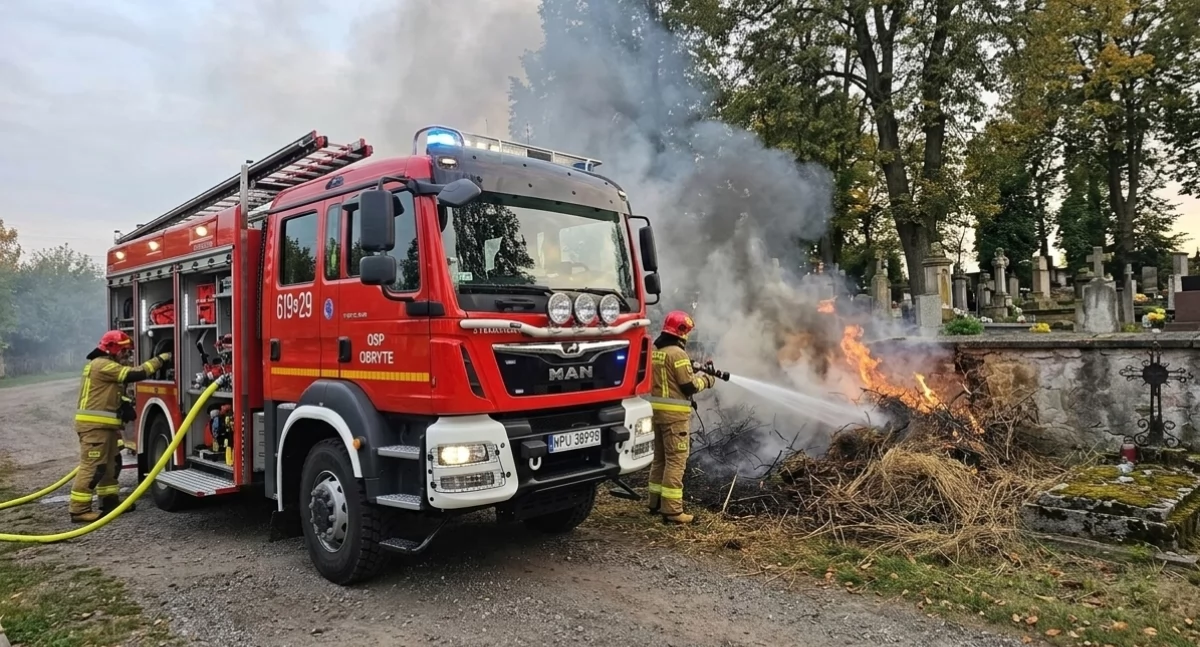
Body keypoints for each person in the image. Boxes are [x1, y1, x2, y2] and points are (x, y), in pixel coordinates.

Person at [69, 331, 172, 523]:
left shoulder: (104, 365)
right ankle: (79, 510)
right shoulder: (102, 364)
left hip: (103, 428)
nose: (126, 355)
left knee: (112, 464)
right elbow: (135, 374)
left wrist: (123, 404)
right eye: (124, 351)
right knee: (93, 467)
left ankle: (109, 502)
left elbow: (109, 391)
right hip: (94, 429)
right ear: (112, 349)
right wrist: (162, 358)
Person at [645, 310, 718, 524]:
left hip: (656, 413)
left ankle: (655, 503)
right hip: (675, 416)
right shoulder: (678, 354)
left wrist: (691, 368)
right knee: (676, 461)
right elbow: (689, 386)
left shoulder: (655, 350)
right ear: (683, 331)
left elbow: (669, 379)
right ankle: (672, 511)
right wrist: (707, 380)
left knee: (660, 459)